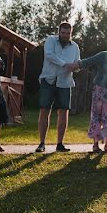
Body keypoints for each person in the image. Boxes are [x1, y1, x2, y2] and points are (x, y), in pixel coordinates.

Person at [37, 22, 80, 153]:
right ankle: (42, 143)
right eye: (63, 33)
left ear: (71, 33)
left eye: (68, 33)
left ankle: (60, 144)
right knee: (44, 110)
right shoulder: (50, 40)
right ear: (59, 32)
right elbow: (49, 56)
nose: (65, 35)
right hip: (48, 80)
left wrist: (76, 66)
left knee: (64, 111)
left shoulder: (75, 47)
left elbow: (77, 63)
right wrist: (66, 64)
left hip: (65, 82)